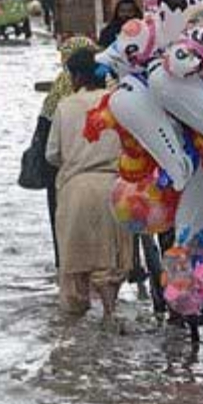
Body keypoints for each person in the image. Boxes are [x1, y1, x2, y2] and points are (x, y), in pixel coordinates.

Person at [45, 48, 134, 326]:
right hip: (115, 187)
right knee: (110, 258)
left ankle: (75, 337)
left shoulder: (66, 106)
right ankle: (109, 312)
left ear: (76, 75)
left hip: (76, 189)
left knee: (75, 263)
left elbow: (52, 153)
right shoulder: (119, 103)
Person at [34, 35, 98, 267]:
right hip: (102, 172)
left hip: (63, 173)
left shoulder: (59, 94)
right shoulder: (108, 89)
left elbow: (48, 144)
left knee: (64, 227)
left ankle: (67, 268)